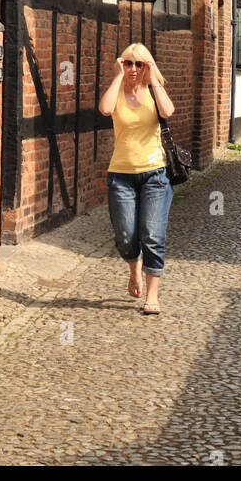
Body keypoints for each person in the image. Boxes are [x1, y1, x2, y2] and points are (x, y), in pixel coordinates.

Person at [99, 43, 175, 317]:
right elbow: (105, 109)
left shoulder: (154, 91)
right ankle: (134, 271)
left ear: (147, 66)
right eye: (128, 63)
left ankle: (152, 297)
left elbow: (167, 112)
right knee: (125, 236)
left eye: (138, 64)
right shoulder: (117, 91)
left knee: (153, 235)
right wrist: (117, 75)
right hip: (121, 176)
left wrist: (154, 80)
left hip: (155, 174)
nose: (133, 69)